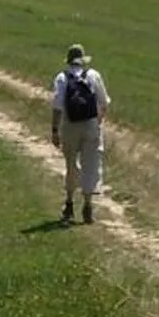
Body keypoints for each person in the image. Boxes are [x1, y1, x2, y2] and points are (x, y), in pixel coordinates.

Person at [48, 42, 110, 226]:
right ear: (83, 60)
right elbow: (104, 102)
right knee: (91, 164)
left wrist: (54, 130)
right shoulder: (93, 75)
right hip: (90, 125)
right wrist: (98, 122)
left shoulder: (61, 78)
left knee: (71, 164)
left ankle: (69, 202)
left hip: (69, 125)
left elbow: (57, 106)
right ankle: (88, 206)